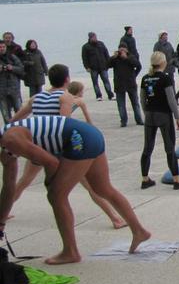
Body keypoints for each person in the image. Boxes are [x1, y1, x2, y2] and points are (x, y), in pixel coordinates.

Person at [0, 114, 151, 264]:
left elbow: (51, 162)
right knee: (103, 188)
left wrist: (51, 186)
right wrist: (1, 222)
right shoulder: (8, 147)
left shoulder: (10, 139)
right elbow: (8, 188)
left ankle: (70, 252)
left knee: (56, 196)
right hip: (90, 135)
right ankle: (139, 231)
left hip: (78, 139)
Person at [8, 65, 127, 231]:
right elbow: (65, 124)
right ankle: (115, 218)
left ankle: (3, 211)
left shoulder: (36, 97)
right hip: (58, 149)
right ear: (67, 80)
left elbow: (14, 120)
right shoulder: (64, 97)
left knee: (24, 181)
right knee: (89, 184)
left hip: (39, 148)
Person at [139, 52, 179, 190]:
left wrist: (146, 112)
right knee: (169, 147)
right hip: (163, 115)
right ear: (163, 63)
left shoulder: (145, 78)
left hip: (150, 115)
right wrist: (177, 117)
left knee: (147, 148)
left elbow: (142, 99)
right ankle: (176, 179)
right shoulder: (165, 78)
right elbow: (171, 100)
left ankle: (145, 179)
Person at [108, 43, 144, 127]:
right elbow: (107, 65)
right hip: (119, 84)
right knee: (121, 104)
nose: (122, 51)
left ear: (127, 50)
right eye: (120, 49)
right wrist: (112, 57)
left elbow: (138, 66)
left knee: (135, 103)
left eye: (123, 49)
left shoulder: (131, 57)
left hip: (130, 83)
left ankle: (139, 120)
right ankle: (123, 121)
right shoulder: (115, 58)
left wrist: (134, 75)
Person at [81, 32, 113, 101]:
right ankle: (98, 96)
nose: (95, 38)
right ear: (90, 38)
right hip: (93, 68)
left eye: (95, 37)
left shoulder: (101, 44)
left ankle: (110, 95)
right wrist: (87, 67)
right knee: (95, 83)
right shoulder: (85, 47)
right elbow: (84, 58)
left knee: (106, 81)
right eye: (94, 37)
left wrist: (109, 63)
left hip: (103, 66)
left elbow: (106, 54)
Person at [0, 41, 25, 122]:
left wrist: (12, 68)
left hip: (14, 89)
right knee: (6, 115)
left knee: (20, 113)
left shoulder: (12, 57)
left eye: (3, 47)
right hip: (2, 91)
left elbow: (21, 69)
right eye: (0, 47)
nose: (2, 49)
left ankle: (20, 127)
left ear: (6, 48)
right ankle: (8, 128)